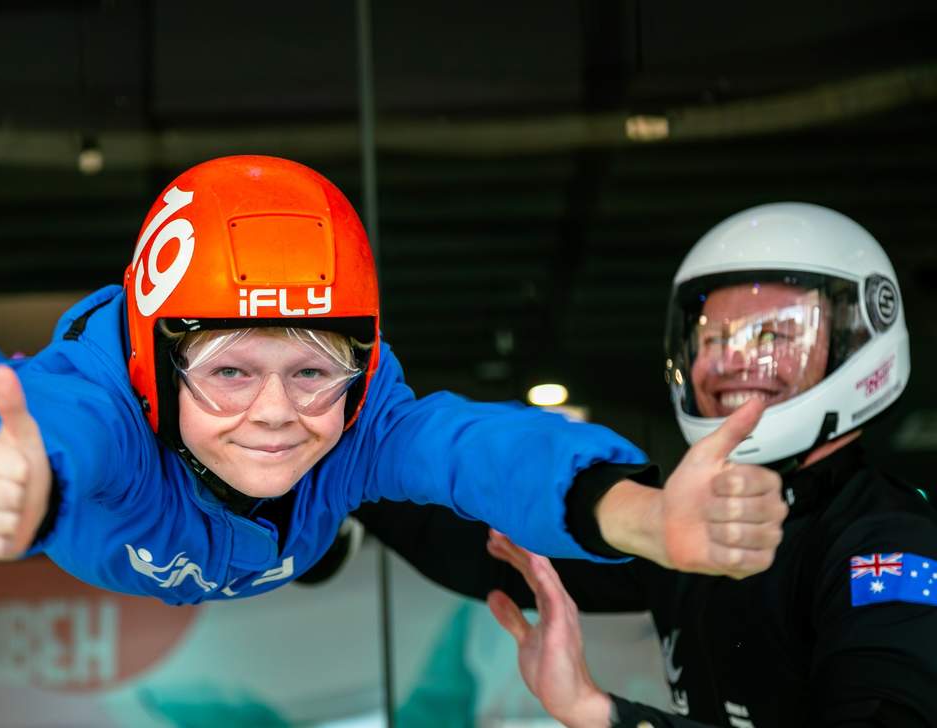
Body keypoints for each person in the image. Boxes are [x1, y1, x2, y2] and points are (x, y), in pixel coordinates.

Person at [0, 32, 786, 607]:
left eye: (316, 366)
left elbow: (471, 448)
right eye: (232, 372)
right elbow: (54, 443)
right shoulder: (107, 422)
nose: (281, 419)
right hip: (55, 422)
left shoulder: (361, 418)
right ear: (157, 367)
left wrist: (643, 513)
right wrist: (19, 481)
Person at [357, 202, 937, 726]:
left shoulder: (887, 545)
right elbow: (492, 548)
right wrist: (342, 474)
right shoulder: (691, 523)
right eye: (713, 336)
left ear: (861, 344)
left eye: (773, 334)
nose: (732, 359)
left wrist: (602, 714)